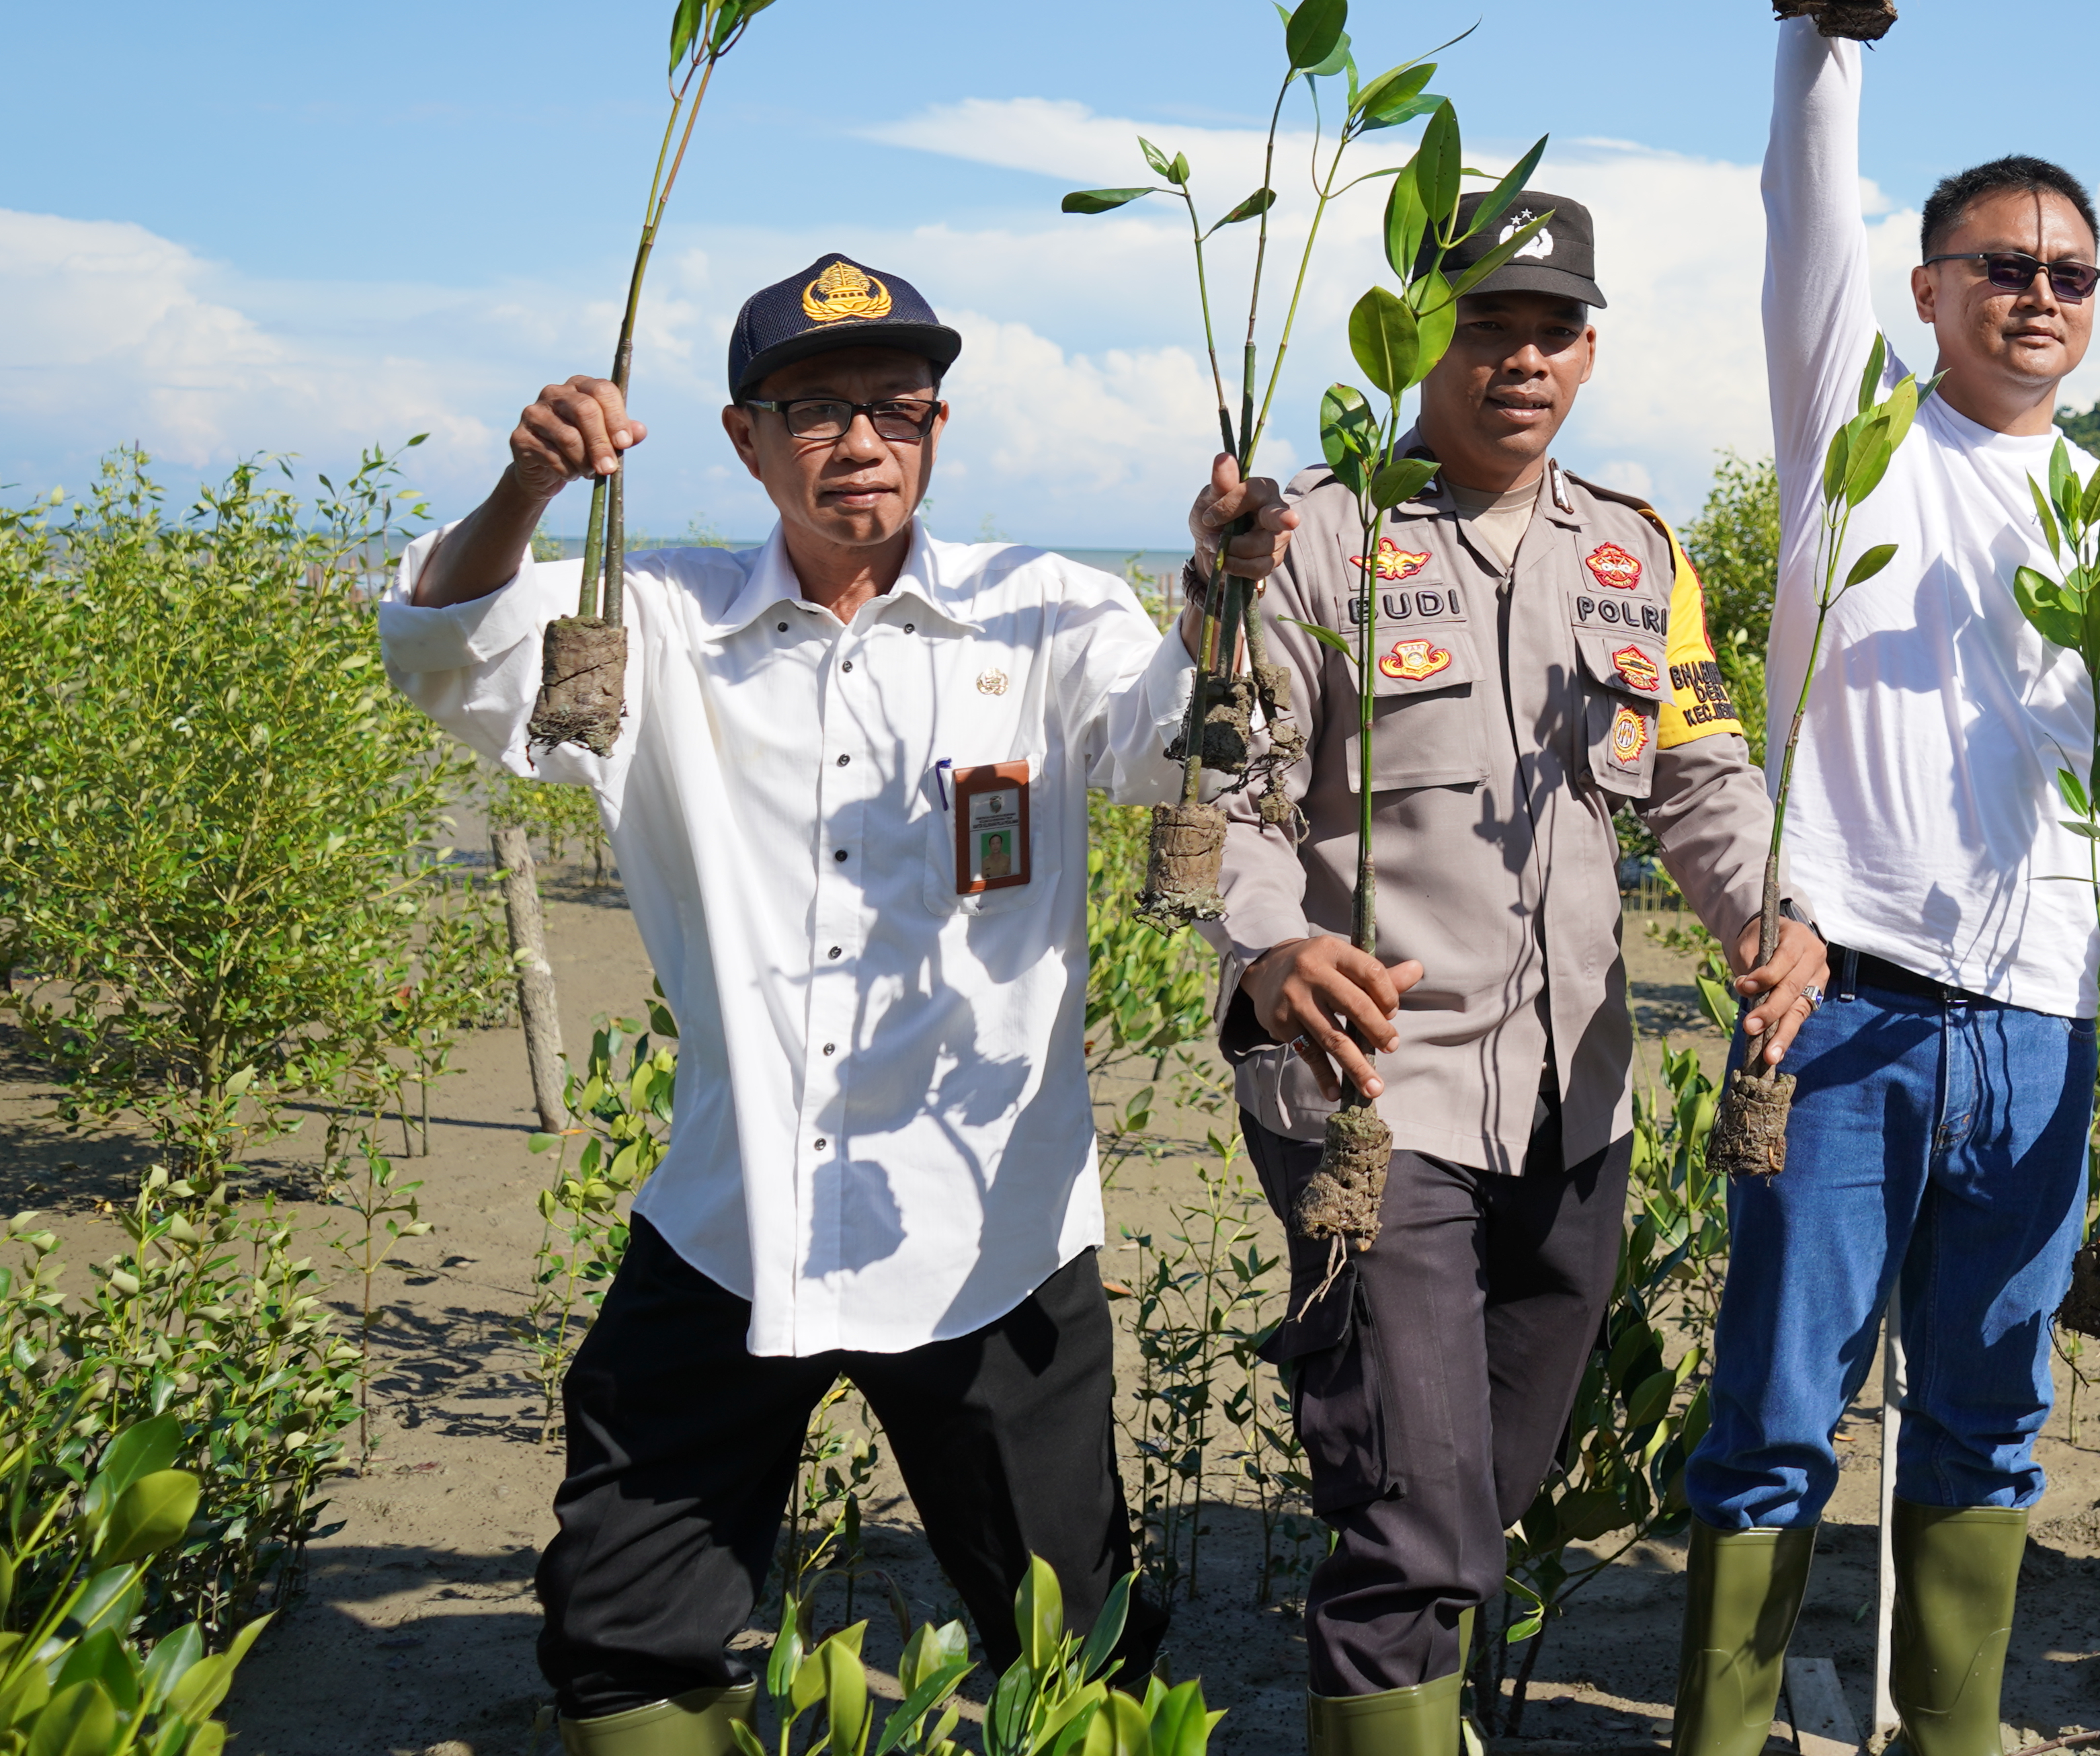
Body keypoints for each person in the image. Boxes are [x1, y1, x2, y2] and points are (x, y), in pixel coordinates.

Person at [378, 253, 1291, 1753]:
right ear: (743, 439)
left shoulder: (1043, 610)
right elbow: (440, 652)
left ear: (939, 428)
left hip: (993, 1228)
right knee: (615, 1630)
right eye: (814, 409)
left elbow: (1161, 743)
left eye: (897, 406)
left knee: (1082, 1643)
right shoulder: (654, 618)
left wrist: (1223, 587)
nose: (860, 439)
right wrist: (524, 488)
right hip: (736, 1217)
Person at [1668, 0, 2100, 1756]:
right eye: (2001, 263)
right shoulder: (1850, 438)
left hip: (2044, 1038)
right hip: (1847, 1020)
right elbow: (1803, 210)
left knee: (1992, 1411)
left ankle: (1951, 1726)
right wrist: (1826, 4)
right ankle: (1724, 1732)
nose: (2040, 294)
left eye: (2071, 270)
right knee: (1780, 1415)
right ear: (1925, 289)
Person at [1205, 192, 1827, 1755]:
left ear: (1593, 348)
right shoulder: (1314, 543)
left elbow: (1699, 773)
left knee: (1483, 1489)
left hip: (1575, 1107)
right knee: (1412, 1515)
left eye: (1555, 329)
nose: (1524, 358)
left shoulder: (1634, 549)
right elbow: (1234, 797)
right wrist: (1274, 944)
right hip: (1377, 1097)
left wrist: (1770, 910)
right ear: (1421, 335)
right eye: (1489, 323)